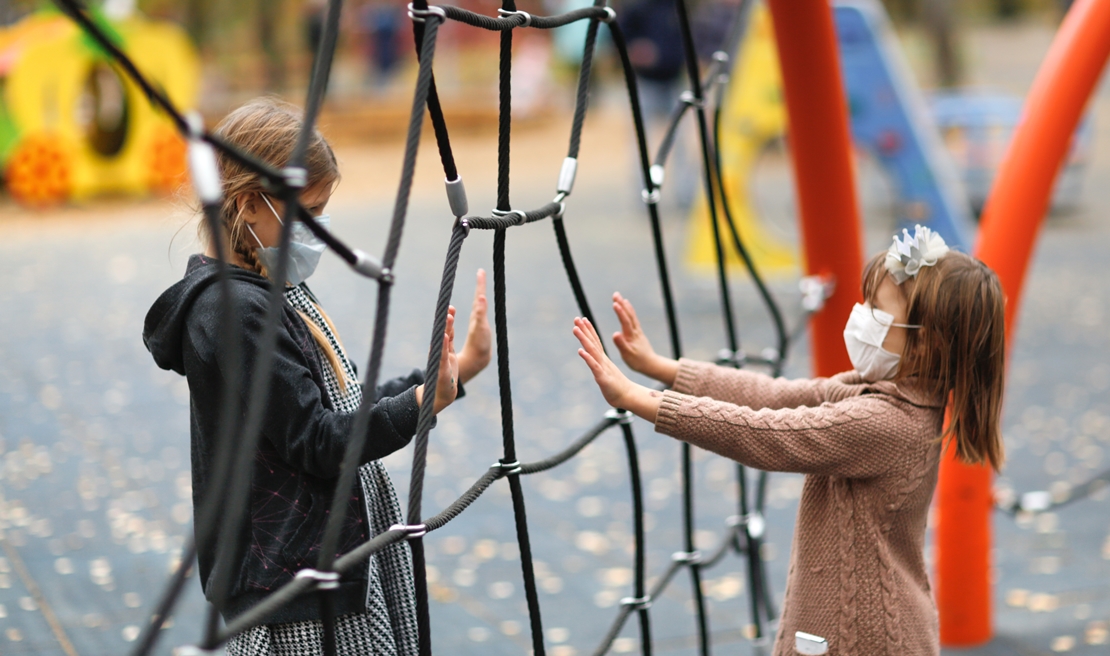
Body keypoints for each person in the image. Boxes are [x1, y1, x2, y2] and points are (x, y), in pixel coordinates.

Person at [143, 97, 492, 655]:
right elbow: (318, 440)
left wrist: (448, 373)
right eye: (310, 211)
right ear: (250, 205)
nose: (321, 230)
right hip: (290, 586)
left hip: (331, 557)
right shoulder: (232, 312)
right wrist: (425, 402)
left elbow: (340, 405)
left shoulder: (273, 285)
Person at [572, 225, 1005, 656]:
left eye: (876, 310)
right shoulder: (876, 392)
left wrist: (637, 398)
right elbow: (776, 397)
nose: (860, 316)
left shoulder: (884, 422)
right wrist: (664, 369)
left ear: (924, 344)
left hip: (861, 639)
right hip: (851, 628)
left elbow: (765, 434)